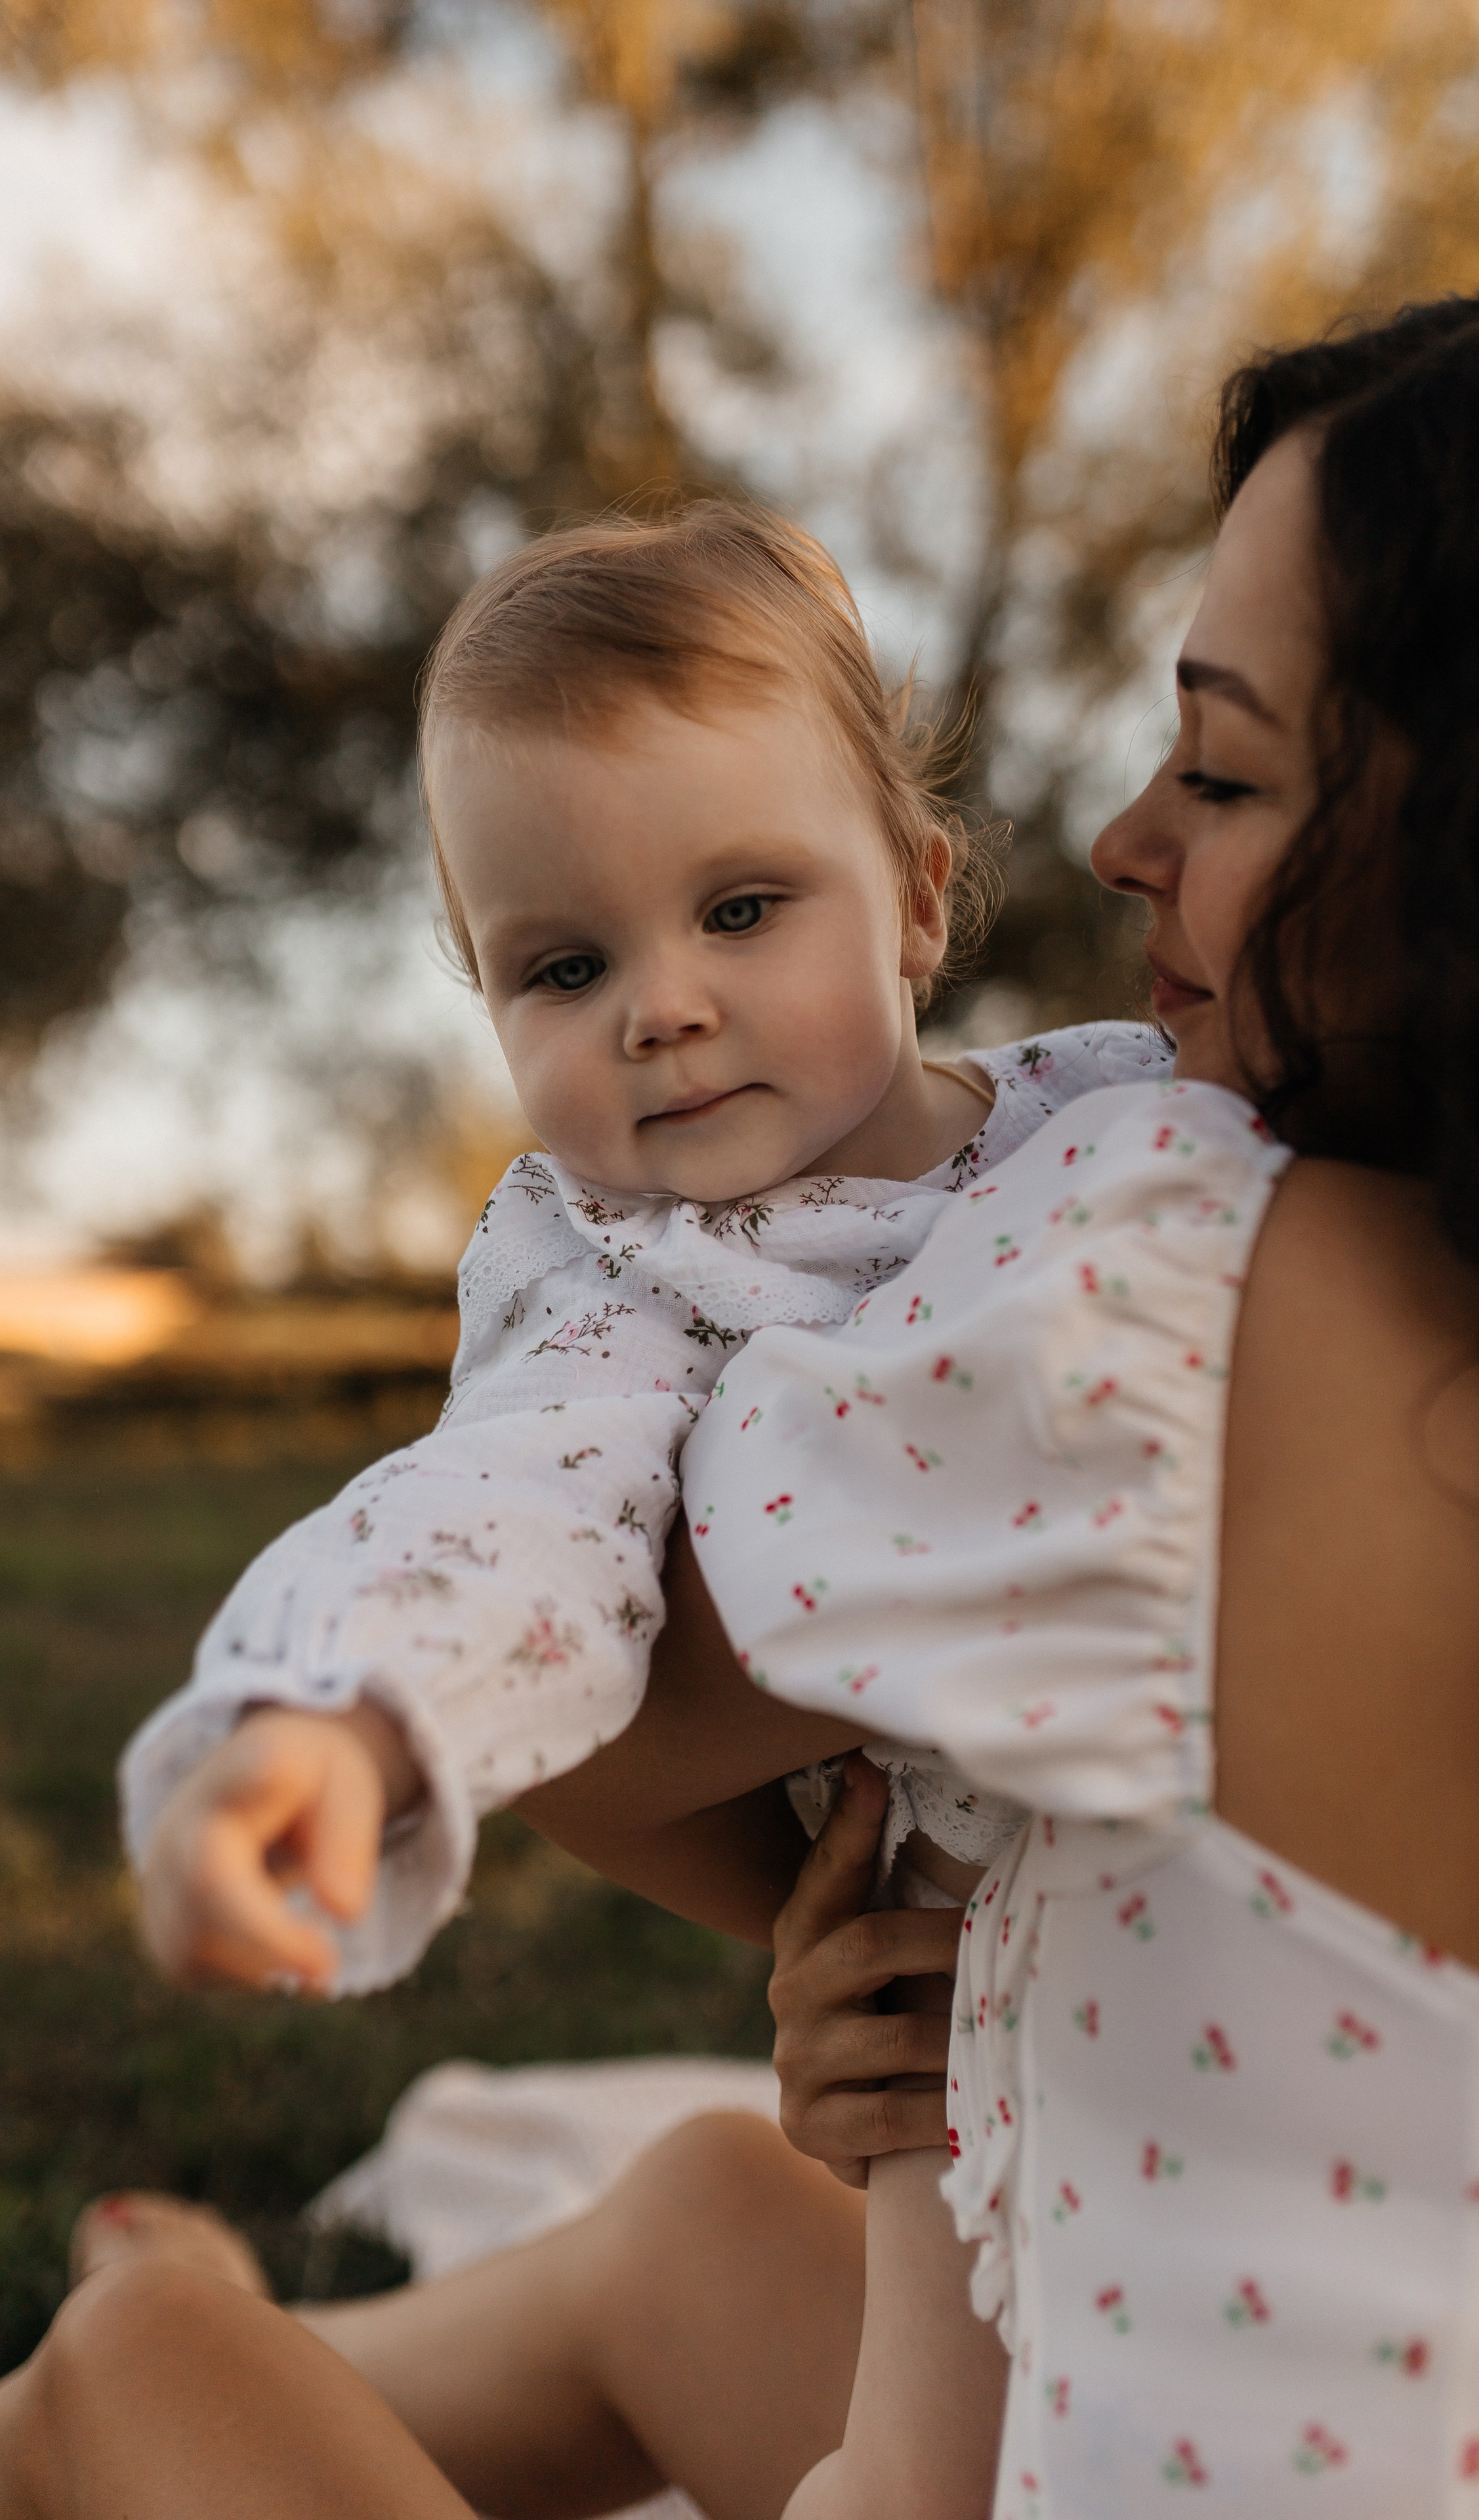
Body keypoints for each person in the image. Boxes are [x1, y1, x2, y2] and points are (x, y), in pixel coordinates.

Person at [0, 284, 1479, 2518]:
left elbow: (567, 1598)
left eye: (1221, 770)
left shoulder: (1169, 1306)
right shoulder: (1362, 1243)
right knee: (694, 2219)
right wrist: (989, 1987)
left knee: (148, 2366)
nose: (1124, 840)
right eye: (565, 965)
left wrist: (389, 1736)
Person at [118, 502, 1164, 1997]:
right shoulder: (626, 1274)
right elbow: (509, 1499)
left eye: (739, 910)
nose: (660, 1010)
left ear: (918, 904)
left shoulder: (1116, 1098)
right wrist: (339, 1717)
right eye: (566, 967)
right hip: (1001, 1967)